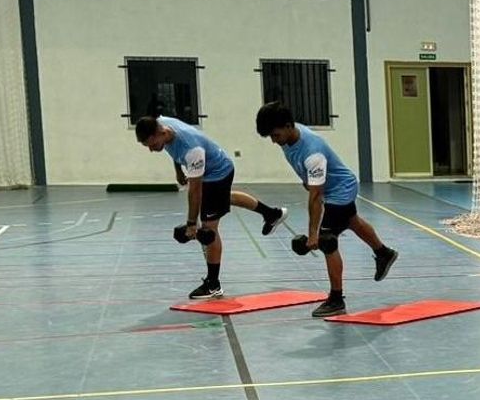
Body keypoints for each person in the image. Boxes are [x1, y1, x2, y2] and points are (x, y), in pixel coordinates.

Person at [254, 102, 399, 318]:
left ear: (288, 126)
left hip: (340, 190)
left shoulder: (313, 153)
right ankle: (384, 253)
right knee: (352, 221)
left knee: (327, 241)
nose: (274, 141)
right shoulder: (290, 137)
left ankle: (336, 299)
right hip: (332, 188)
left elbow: (315, 197)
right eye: (270, 137)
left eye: (275, 135)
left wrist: (313, 234)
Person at [135, 115, 286, 300]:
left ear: (161, 133)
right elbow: (173, 150)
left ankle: (213, 284)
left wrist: (191, 224)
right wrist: (178, 170)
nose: (151, 150)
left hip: (217, 173)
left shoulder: (192, 150)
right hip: (214, 167)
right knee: (224, 199)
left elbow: (195, 192)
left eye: (152, 145)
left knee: (208, 231)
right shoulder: (162, 123)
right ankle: (271, 213)